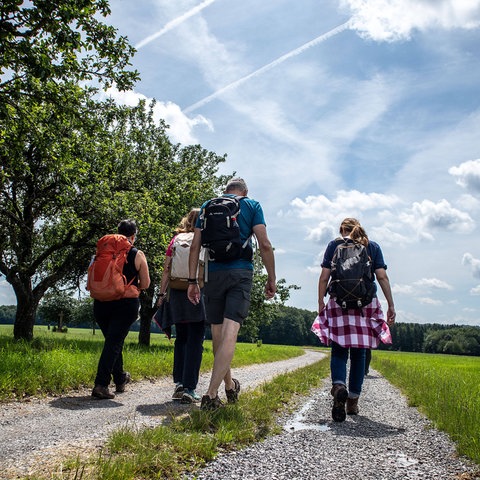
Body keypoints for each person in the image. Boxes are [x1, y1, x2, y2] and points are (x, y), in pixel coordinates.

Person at [187, 177, 276, 410]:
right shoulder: (251, 205)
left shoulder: (207, 206)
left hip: (213, 274)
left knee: (218, 334)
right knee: (230, 333)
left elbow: (195, 246)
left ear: (224, 190)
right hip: (240, 273)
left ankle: (229, 387)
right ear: (245, 191)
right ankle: (210, 394)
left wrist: (192, 280)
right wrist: (271, 277)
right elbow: (264, 244)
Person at [314, 218, 395, 421]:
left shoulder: (334, 245)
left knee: (339, 349)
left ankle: (339, 385)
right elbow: (382, 277)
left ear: (343, 230)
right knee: (359, 354)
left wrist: (320, 301)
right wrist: (391, 304)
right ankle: (352, 401)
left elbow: (324, 277)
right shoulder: (372, 246)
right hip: (365, 306)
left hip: (339, 303)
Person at [92, 219, 150, 399]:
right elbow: (146, 283)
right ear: (133, 235)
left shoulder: (102, 252)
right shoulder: (136, 253)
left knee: (113, 341)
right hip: (125, 305)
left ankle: (120, 379)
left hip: (101, 303)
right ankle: (101, 384)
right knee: (114, 343)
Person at [157, 209, 206, 404]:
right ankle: (189, 388)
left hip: (177, 293)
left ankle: (178, 383)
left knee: (182, 339)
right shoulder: (204, 240)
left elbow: (167, 268)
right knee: (196, 340)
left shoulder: (176, 239)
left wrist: (161, 294)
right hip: (197, 293)